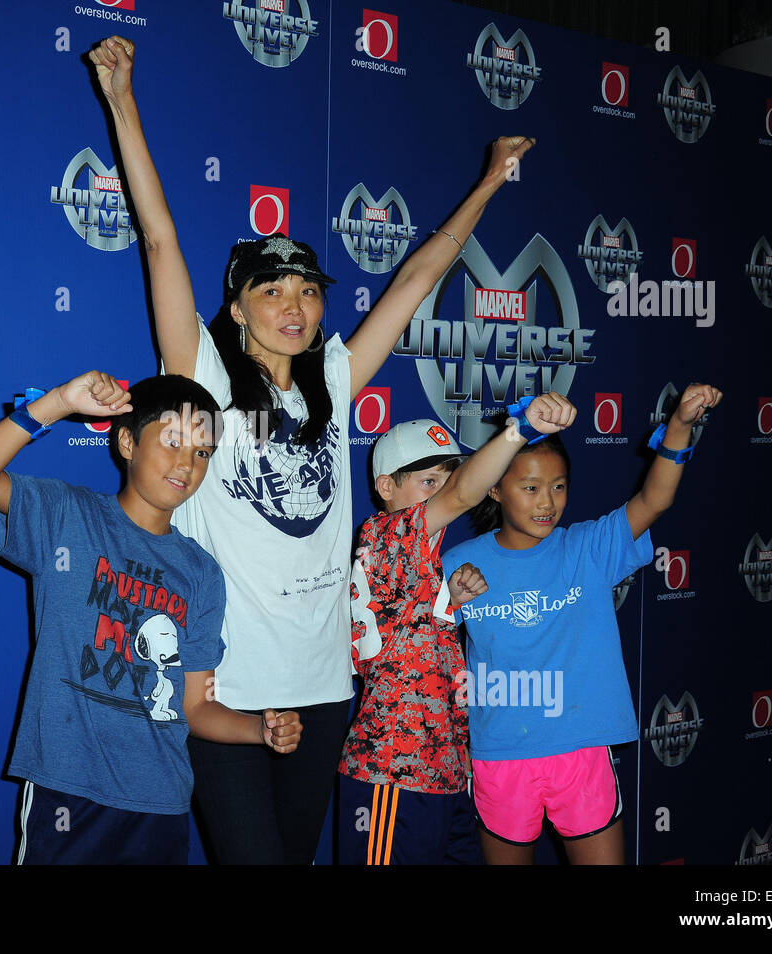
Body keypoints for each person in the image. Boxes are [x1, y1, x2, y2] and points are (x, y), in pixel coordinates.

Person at [88, 34, 534, 863]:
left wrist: (489, 182)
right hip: (228, 685)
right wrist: (121, 101)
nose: (293, 305)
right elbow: (159, 241)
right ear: (238, 305)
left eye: (307, 292)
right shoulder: (203, 374)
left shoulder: (334, 372)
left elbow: (415, 280)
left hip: (327, 687)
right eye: (272, 289)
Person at [0, 370, 302, 864]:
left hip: (160, 802)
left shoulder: (201, 573)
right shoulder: (68, 516)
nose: (186, 463)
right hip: (68, 791)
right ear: (126, 442)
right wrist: (59, 402)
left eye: (201, 452)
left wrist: (257, 730)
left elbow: (194, 705)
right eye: (173, 441)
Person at [441, 383, 722, 864]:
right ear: (493, 487)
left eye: (558, 486)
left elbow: (653, 501)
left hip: (581, 750)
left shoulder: (588, 548)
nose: (546, 502)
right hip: (499, 753)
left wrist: (679, 426)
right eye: (529, 488)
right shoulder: (456, 562)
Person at [339, 396, 575, 865]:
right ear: (386, 486)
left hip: (445, 775)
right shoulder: (384, 533)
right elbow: (465, 494)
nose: (442, 492)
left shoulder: (421, 566)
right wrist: (520, 428)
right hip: (394, 773)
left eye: (446, 479)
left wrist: (449, 598)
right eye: (429, 482)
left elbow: (404, 630)